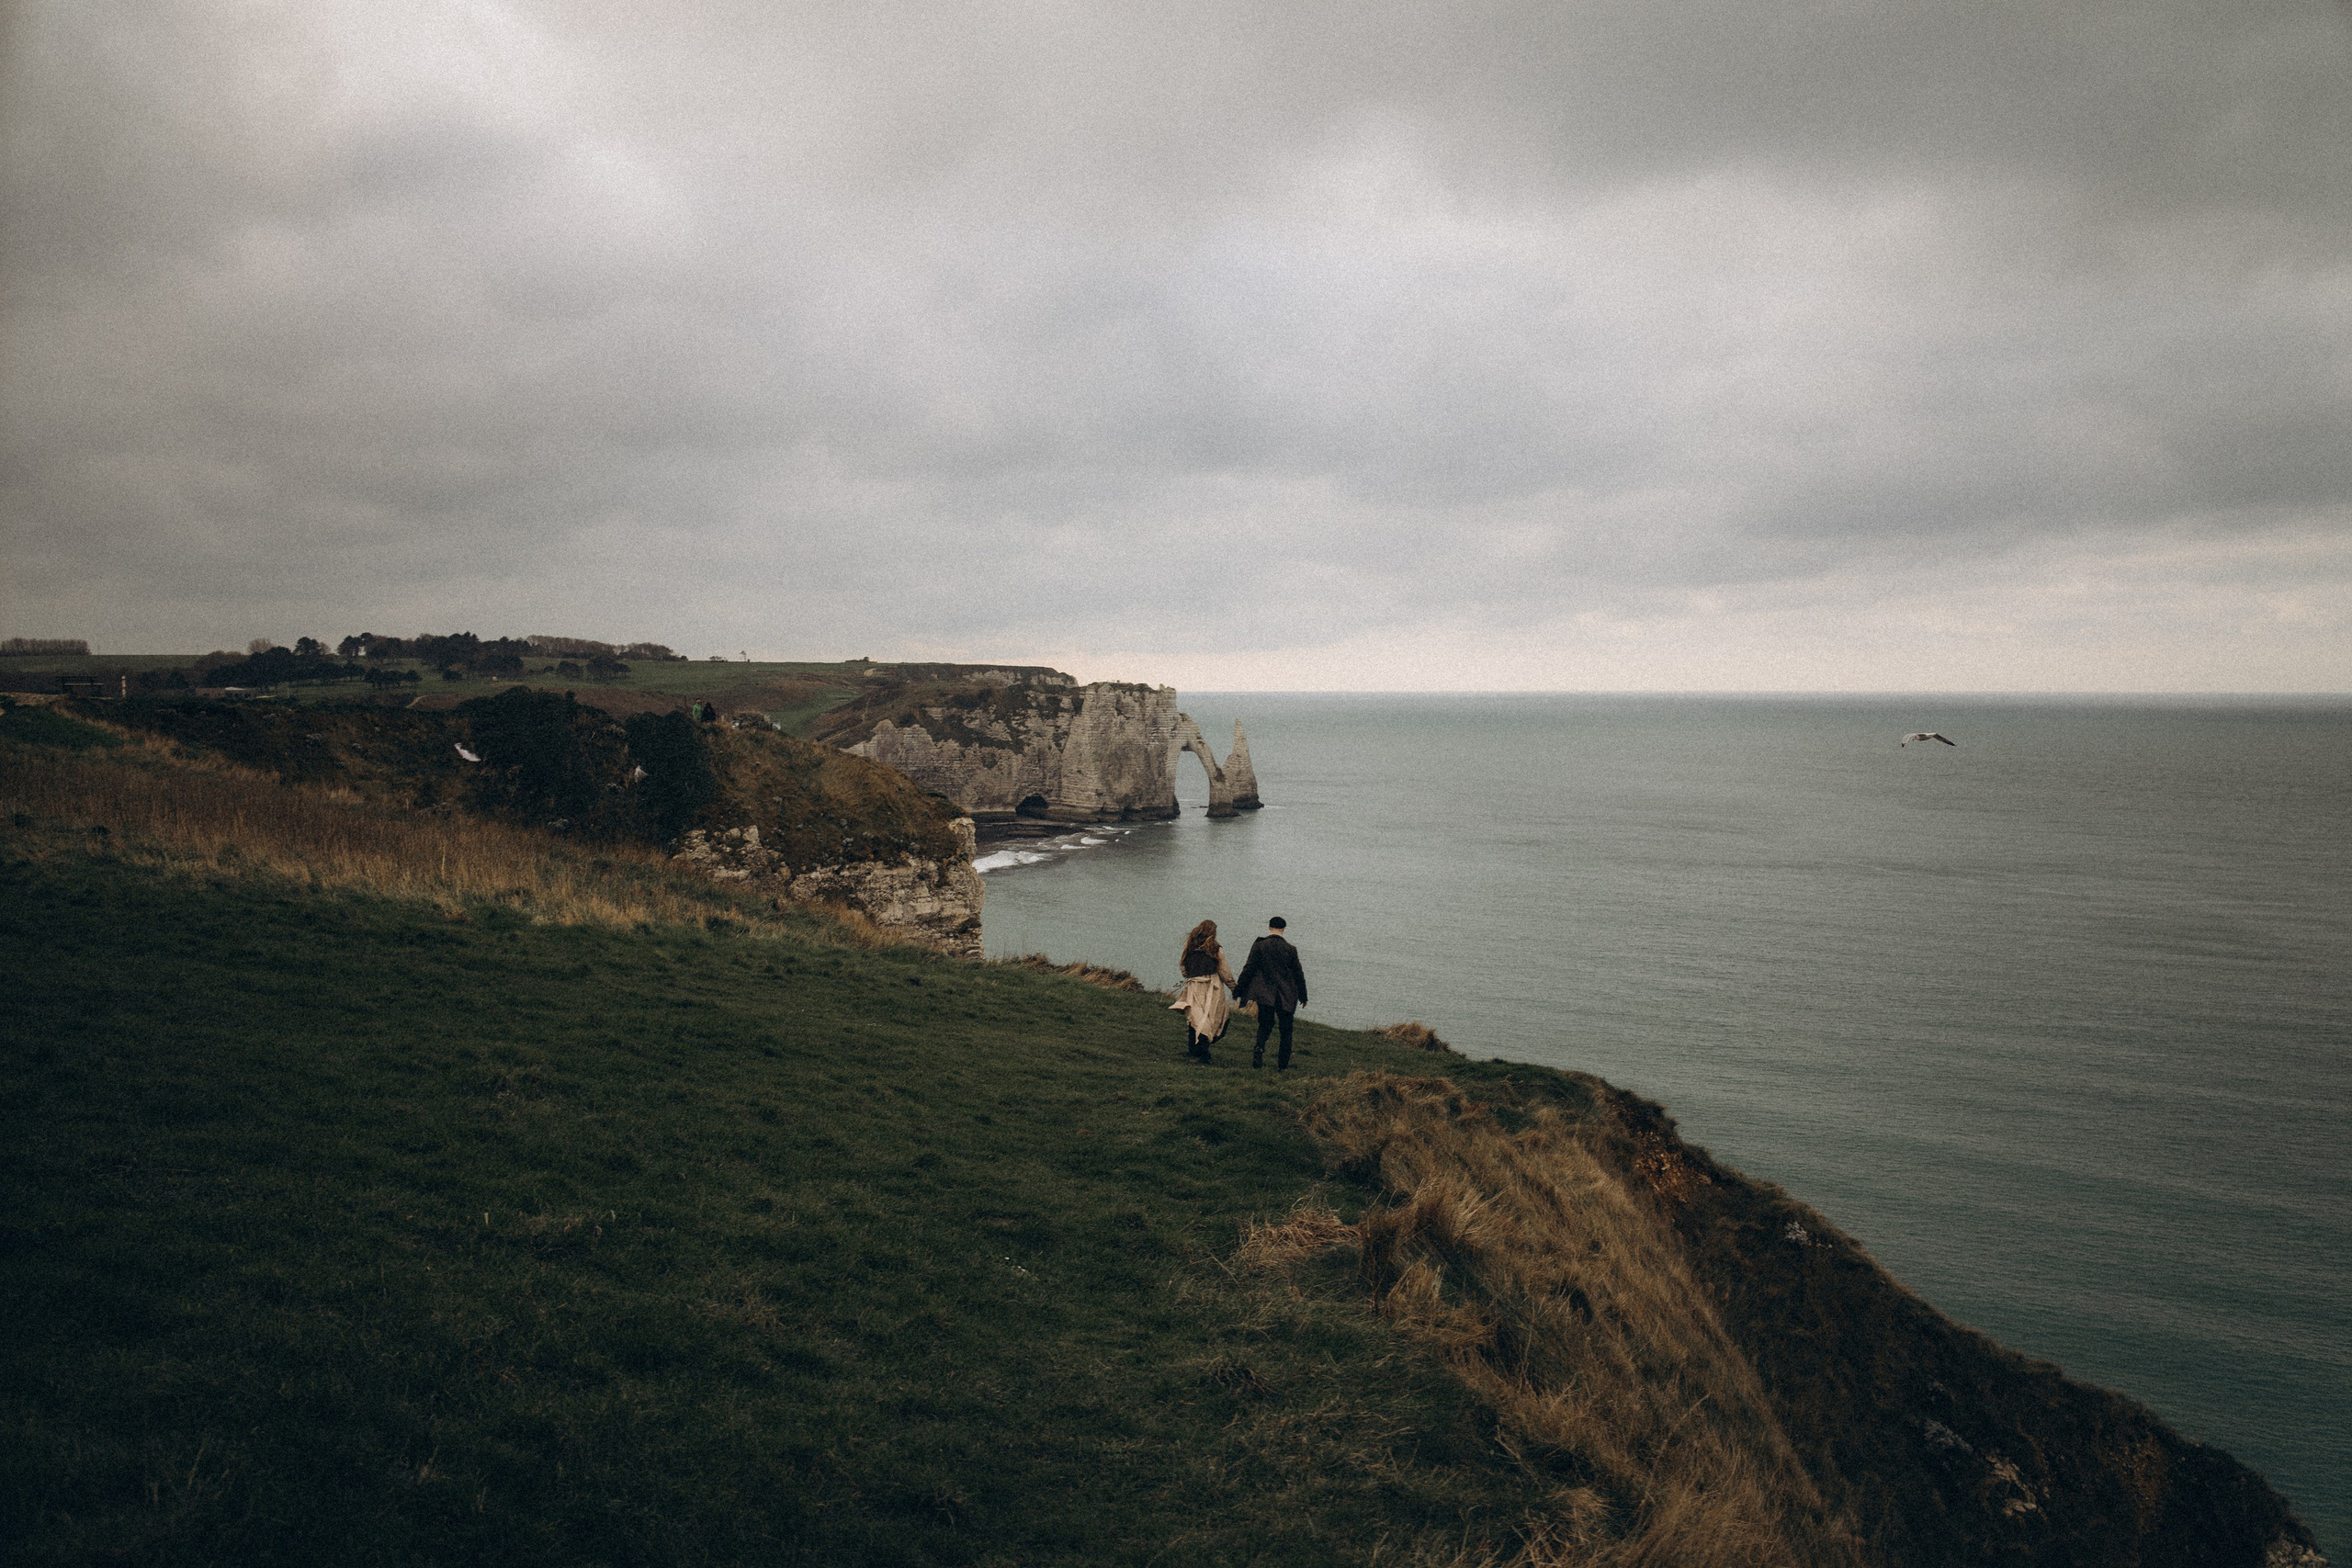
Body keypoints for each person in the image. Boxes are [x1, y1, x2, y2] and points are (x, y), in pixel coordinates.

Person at [1234, 916, 1307, 1070]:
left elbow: (1249, 968)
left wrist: (1238, 990)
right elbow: (1298, 974)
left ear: (1269, 927)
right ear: (1283, 929)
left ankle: (1259, 1047)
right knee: (1286, 1030)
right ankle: (1282, 1065)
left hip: (1265, 994)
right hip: (1285, 995)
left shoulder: (1260, 945)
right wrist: (1303, 996)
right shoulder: (1291, 949)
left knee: (1265, 1024)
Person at [1169, 919, 1234, 1064]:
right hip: (1211, 986)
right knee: (1209, 1018)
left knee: (1194, 1018)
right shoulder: (1216, 949)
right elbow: (1224, 971)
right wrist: (1234, 988)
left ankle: (1194, 1049)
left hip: (1194, 986)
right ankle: (1203, 1053)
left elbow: (1183, 967)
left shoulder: (1190, 947)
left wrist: (1190, 975)